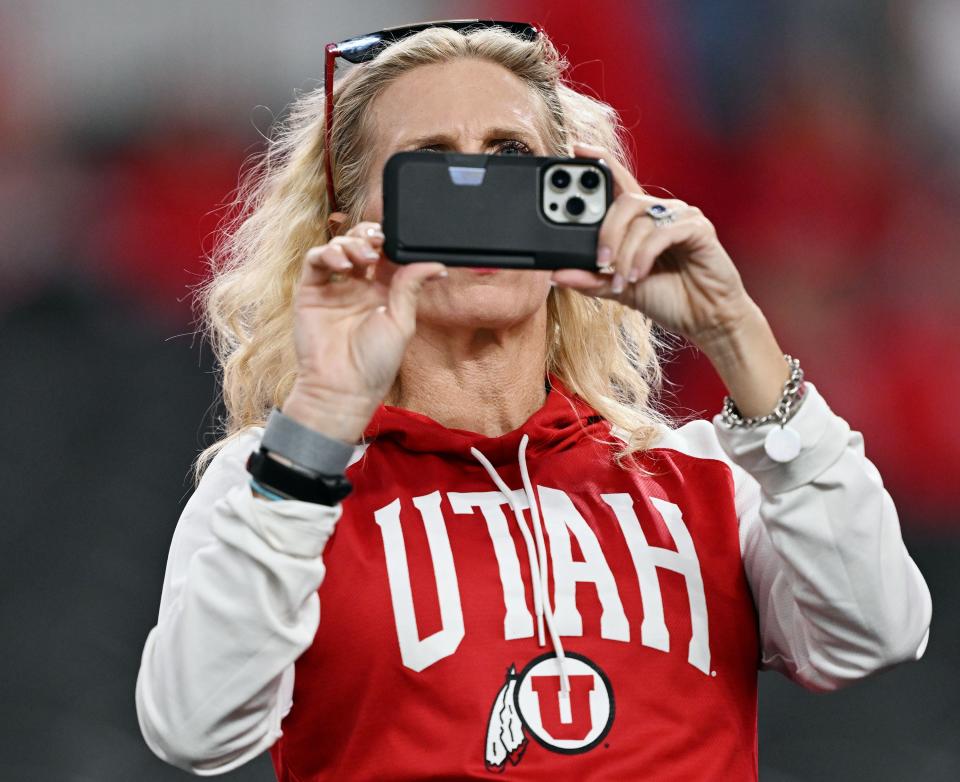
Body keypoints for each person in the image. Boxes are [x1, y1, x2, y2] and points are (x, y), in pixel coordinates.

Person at [134, 21, 932, 781]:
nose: (480, 193)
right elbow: (196, 726)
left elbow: (875, 630)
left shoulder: (701, 480)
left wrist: (736, 333)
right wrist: (320, 417)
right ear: (352, 231)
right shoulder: (281, 481)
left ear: (576, 203)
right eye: (434, 167)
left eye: (513, 156)